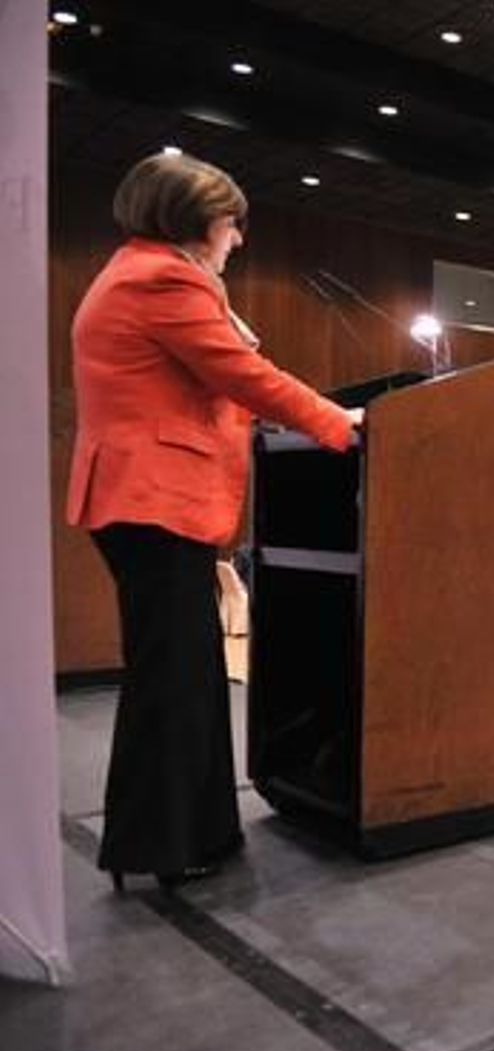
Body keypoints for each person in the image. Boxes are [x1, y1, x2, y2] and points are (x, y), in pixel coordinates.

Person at [67, 152, 359, 891]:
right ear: (196, 222)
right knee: (173, 683)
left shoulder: (143, 272)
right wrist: (339, 425)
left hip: (144, 503)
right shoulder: (163, 279)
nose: (238, 239)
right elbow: (243, 374)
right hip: (153, 501)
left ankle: (192, 833)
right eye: (231, 224)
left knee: (188, 677)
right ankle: (159, 845)